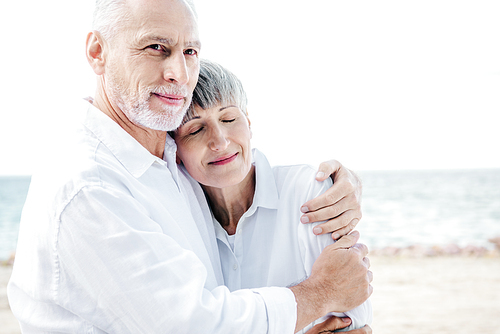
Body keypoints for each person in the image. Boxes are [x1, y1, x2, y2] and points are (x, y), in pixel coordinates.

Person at [7, 0, 372, 333]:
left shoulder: (167, 155)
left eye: (190, 51)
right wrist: (320, 293)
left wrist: (338, 183)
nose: (179, 73)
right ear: (97, 52)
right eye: (156, 48)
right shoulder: (88, 185)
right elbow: (191, 325)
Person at [172, 59, 372, 333]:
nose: (220, 141)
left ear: (249, 124)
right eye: (195, 130)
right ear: (175, 152)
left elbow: (350, 318)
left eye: (229, 119)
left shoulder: (309, 192)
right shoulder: (179, 219)